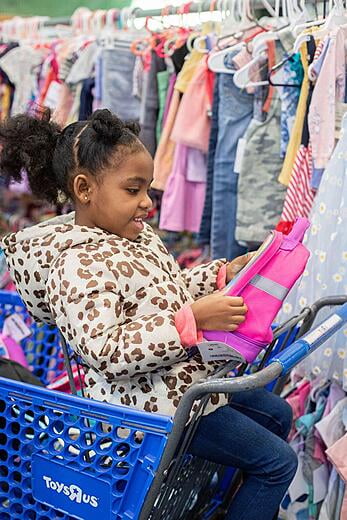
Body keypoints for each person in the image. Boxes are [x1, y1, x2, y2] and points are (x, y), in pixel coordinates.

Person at [0, 109, 297, 519]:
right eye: (133, 189)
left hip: (181, 388)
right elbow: (107, 350)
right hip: (144, 410)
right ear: (84, 189)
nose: (147, 202)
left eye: (148, 188)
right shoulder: (75, 265)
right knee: (278, 462)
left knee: (278, 412)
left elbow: (166, 292)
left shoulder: (134, 235)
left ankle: (218, 499)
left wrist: (219, 275)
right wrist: (193, 320)